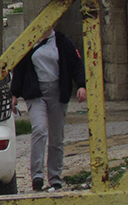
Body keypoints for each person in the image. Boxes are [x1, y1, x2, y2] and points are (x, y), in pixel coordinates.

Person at [11, 28, 87, 192]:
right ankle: (37, 176)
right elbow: (20, 68)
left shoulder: (62, 41)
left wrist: (81, 85)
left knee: (56, 137)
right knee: (39, 129)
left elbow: (75, 63)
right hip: (36, 92)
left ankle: (55, 179)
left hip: (57, 92)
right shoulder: (30, 42)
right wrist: (14, 93)